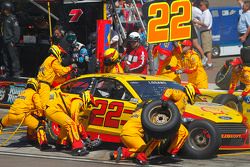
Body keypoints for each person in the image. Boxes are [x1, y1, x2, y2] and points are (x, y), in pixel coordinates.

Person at [110, 83, 200, 165]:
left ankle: (126, 155)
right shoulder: (181, 95)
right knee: (183, 132)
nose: (196, 98)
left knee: (156, 140)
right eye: (196, 95)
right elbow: (169, 91)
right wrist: (164, 100)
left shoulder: (183, 101)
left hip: (160, 123)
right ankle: (170, 153)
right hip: (132, 132)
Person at [0, 78, 50, 150]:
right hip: (23, 116)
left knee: (1, 124)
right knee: (39, 126)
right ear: (35, 85)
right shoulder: (34, 94)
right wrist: (42, 117)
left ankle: (31, 139)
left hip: (10, 115)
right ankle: (44, 145)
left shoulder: (22, 93)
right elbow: (39, 107)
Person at [45, 90, 95, 156]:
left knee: (66, 125)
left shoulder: (75, 98)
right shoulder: (79, 101)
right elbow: (74, 117)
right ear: (86, 98)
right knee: (71, 124)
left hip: (52, 109)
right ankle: (78, 148)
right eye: (89, 103)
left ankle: (61, 144)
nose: (89, 106)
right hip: (54, 109)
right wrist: (84, 138)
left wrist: (85, 137)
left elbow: (77, 122)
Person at [0, 1, 21, 77]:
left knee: (13, 58)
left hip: (10, 41)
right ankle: (8, 72)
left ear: (7, 9)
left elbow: (17, 31)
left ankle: (16, 73)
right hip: (4, 41)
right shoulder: (3, 18)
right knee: (5, 57)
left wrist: (14, 41)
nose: (2, 10)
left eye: (3, 9)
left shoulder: (12, 18)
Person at [193, 0, 213, 69]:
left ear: (205, 5)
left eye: (201, 5)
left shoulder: (207, 13)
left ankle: (209, 63)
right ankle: (208, 63)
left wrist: (197, 22)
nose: (200, 6)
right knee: (205, 48)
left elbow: (206, 24)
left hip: (206, 32)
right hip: (203, 32)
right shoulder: (204, 13)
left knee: (207, 49)